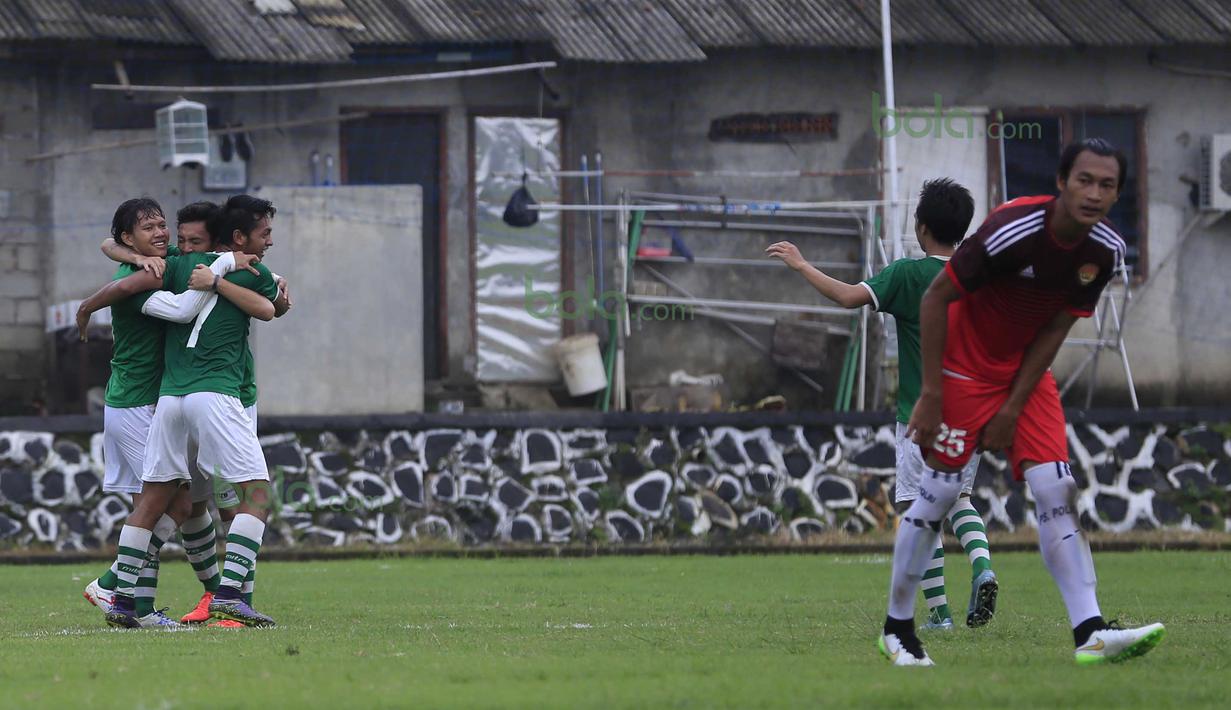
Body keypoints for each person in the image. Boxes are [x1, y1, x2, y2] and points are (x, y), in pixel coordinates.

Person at [882, 138, 1165, 666]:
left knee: (1057, 487)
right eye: (1085, 180)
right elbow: (937, 297)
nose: (1095, 193)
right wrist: (931, 394)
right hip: (964, 367)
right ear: (1060, 183)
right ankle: (898, 629)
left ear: (1118, 193)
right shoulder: (1013, 227)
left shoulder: (1104, 251)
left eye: (1108, 185)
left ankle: (1091, 632)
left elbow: (1058, 325)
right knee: (939, 495)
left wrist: (1014, 403)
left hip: (1026, 376)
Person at [767, 178, 997, 630]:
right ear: (963, 230)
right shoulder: (978, 281)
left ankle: (941, 615)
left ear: (922, 227)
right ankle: (983, 565)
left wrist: (800, 265)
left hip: (920, 416)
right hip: (969, 415)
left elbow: (847, 296)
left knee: (919, 510)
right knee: (960, 499)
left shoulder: (908, 275)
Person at [82, 194, 281, 628]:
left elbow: (113, 249)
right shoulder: (238, 269)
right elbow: (271, 308)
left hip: (170, 401)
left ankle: (122, 597)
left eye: (192, 241)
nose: (182, 247)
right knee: (256, 493)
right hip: (213, 398)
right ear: (238, 238)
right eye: (265, 233)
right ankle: (228, 595)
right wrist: (227, 268)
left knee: (172, 502)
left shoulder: (168, 267)